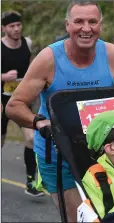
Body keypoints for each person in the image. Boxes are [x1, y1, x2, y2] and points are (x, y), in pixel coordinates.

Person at [5, 1, 114, 222]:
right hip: (59, 154)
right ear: (68, 25)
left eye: (92, 22)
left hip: (103, 152)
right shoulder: (49, 59)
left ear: (100, 25)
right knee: (81, 219)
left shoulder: (112, 54)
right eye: (79, 22)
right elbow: (14, 105)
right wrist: (39, 122)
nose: (86, 28)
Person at [1, 10, 44, 197]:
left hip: (20, 100)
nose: (17, 29)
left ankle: (30, 182)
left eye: (18, 25)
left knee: (31, 138)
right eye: (12, 26)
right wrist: (2, 76)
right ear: (3, 29)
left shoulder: (27, 43)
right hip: (1, 100)